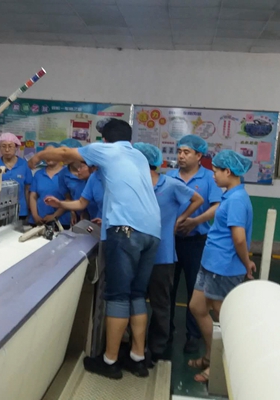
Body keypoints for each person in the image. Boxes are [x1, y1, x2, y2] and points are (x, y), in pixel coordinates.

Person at [28, 118, 161, 380]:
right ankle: (137, 359)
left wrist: (38, 156)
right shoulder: (138, 157)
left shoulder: (107, 150)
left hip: (125, 231)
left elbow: (64, 153)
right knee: (137, 295)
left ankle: (110, 361)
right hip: (151, 232)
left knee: (118, 296)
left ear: (105, 140)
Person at [132, 143, 204, 364]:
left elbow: (198, 199)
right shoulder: (133, 184)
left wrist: (180, 219)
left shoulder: (171, 185)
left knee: (161, 303)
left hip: (162, 256)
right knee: (135, 300)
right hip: (136, 253)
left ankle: (158, 348)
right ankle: (135, 345)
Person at [187, 150, 255, 383]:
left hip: (224, 267)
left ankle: (219, 365)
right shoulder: (229, 195)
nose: (213, 175)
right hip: (211, 263)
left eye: (216, 171)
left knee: (222, 318)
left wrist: (246, 263)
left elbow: (239, 238)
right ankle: (210, 355)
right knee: (197, 306)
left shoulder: (236, 200)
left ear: (228, 171)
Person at [166, 135, 223, 353]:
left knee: (194, 289)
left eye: (186, 152)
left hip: (196, 242)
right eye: (179, 151)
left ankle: (193, 335)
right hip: (170, 241)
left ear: (199, 155)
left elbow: (217, 206)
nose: (181, 156)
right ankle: (166, 331)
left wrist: (195, 222)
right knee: (167, 288)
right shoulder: (170, 177)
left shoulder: (209, 178)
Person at [0, 133, 32, 221]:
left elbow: (27, 189)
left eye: (10, 146)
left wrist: (29, 209)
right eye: (3, 146)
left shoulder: (24, 165)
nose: (7, 149)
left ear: (16, 147)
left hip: (21, 210)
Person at [29, 142, 70, 228]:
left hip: (61, 222)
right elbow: (33, 196)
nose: (48, 157)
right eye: (45, 154)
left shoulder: (67, 174)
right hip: (39, 221)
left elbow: (69, 199)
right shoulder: (38, 174)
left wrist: (54, 216)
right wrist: (35, 216)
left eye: (51, 154)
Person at [58, 139, 89, 225]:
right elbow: (68, 197)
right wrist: (72, 211)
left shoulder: (90, 169)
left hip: (95, 214)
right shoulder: (63, 174)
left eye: (65, 153)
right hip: (78, 213)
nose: (61, 157)